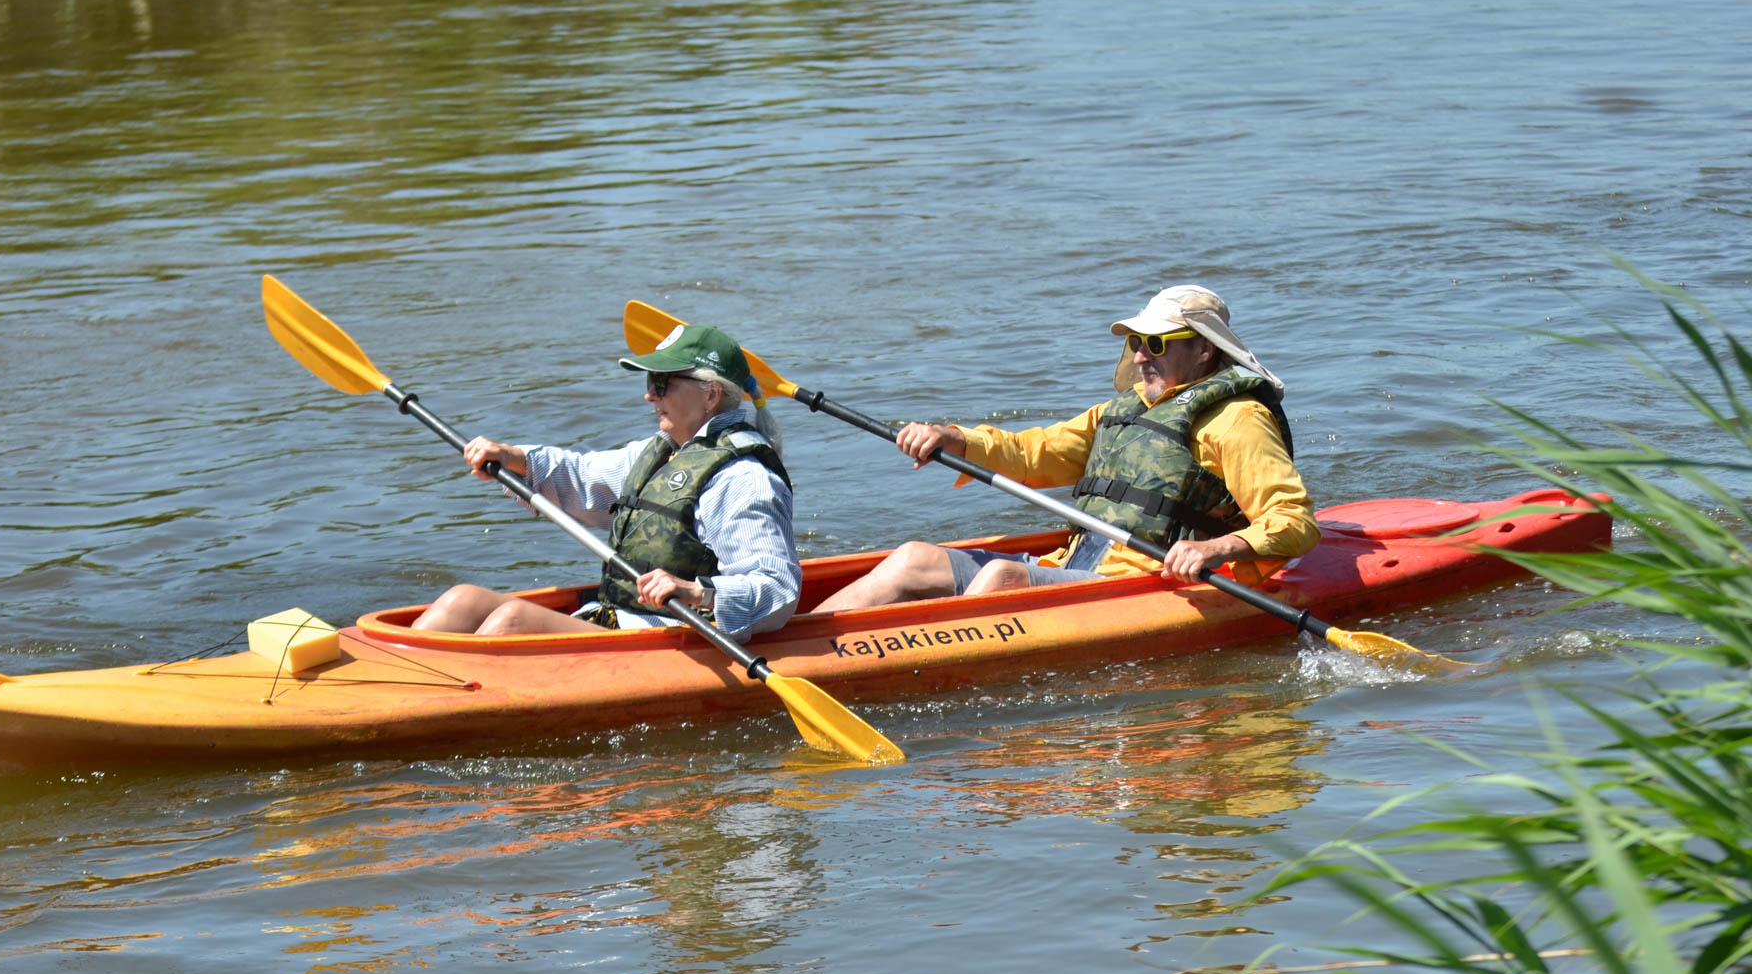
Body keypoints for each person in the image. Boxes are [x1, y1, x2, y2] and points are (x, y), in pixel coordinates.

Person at [813, 284, 1318, 611]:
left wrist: (1215, 547)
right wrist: (957, 439)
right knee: (912, 558)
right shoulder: (1118, 413)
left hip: (1144, 586)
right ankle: (800, 641)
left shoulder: (1237, 421)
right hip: (1078, 568)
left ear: (1204, 348)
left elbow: (1294, 521)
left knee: (1003, 577)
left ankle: (883, 674)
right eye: (1137, 342)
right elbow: (1036, 453)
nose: (1141, 356)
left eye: (1157, 343)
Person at [412, 323, 800, 640]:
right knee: (460, 601)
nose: (649, 395)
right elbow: (585, 478)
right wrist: (514, 459)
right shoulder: (664, 451)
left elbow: (777, 587)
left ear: (711, 394)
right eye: (650, 380)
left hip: (678, 635)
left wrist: (695, 591)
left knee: (514, 621)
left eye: (662, 382)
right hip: (620, 619)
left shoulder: (744, 477)